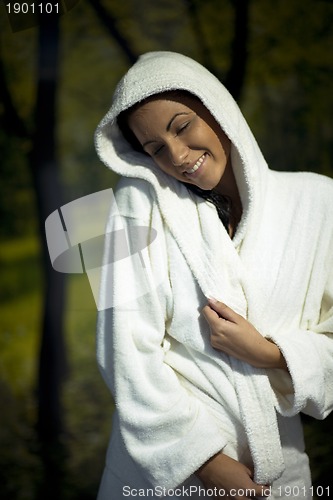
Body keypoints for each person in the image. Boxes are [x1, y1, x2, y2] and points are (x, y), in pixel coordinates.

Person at [94, 51, 333, 499]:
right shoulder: (137, 203)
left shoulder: (318, 205)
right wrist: (201, 462)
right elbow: (124, 350)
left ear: (216, 107)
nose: (178, 156)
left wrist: (270, 353)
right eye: (155, 149)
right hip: (165, 476)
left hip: (277, 471)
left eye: (182, 126)